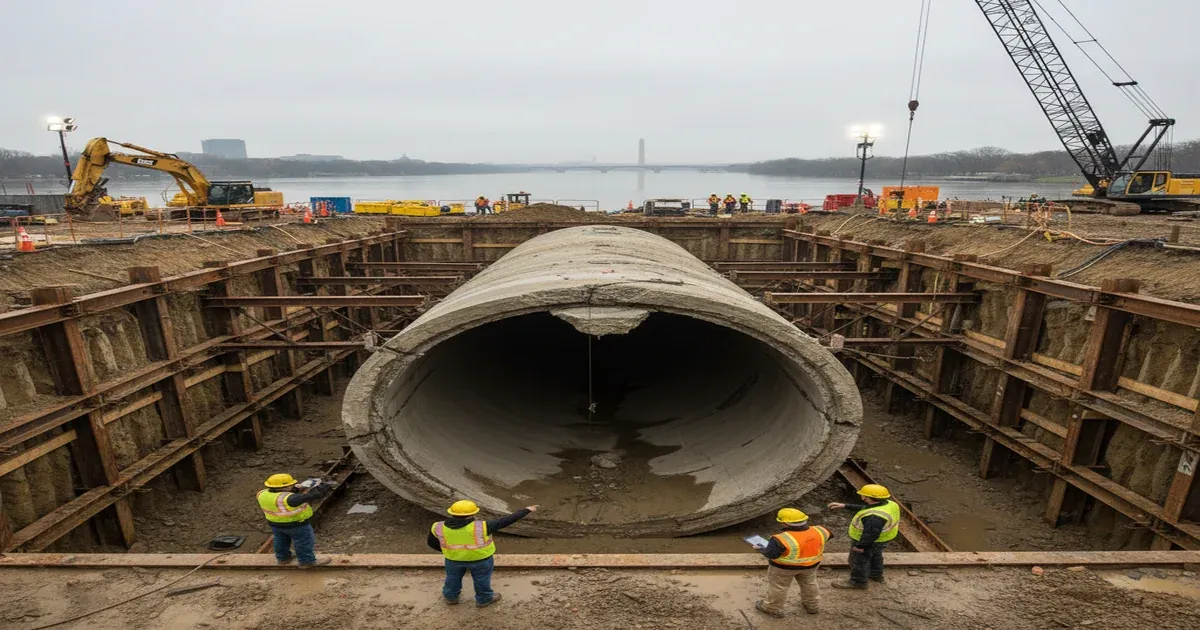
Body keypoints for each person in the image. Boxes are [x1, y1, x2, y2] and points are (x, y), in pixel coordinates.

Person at [428, 500, 538, 607]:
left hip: (453, 560)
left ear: (451, 512)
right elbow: (506, 520)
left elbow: (431, 543)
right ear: (473, 513)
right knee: (482, 579)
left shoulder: (438, 527)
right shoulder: (482, 526)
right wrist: (526, 510)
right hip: (481, 560)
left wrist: (452, 552)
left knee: (452, 578)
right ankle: (484, 600)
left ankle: (450, 598)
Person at [755, 508, 831, 618]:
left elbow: (772, 554)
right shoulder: (821, 530)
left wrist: (760, 549)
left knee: (779, 587)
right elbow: (821, 540)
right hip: (811, 566)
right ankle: (812, 606)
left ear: (784, 523)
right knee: (810, 583)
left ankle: (772, 608)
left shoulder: (780, 539)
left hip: (783, 568)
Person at [828, 483, 900, 589]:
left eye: (863, 494)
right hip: (883, 539)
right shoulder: (890, 504)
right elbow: (868, 508)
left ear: (867, 498)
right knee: (876, 556)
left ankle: (858, 582)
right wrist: (845, 506)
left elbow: (870, 534)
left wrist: (860, 546)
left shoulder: (873, 517)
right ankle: (876, 575)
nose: (861, 496)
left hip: (868, 541)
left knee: (859, 561)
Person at [256, 473, 334, 568]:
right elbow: (309, 497)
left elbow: (280, 495)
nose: (293, 485)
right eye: (290, 485)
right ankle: (307, 561)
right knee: (303, 542)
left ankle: (283, 558)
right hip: (296, 524)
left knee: (280, 540)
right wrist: (321, 491)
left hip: (275, 524)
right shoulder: (290, 499)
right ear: (284, 487)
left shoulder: (262, 493)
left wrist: (296, 488)